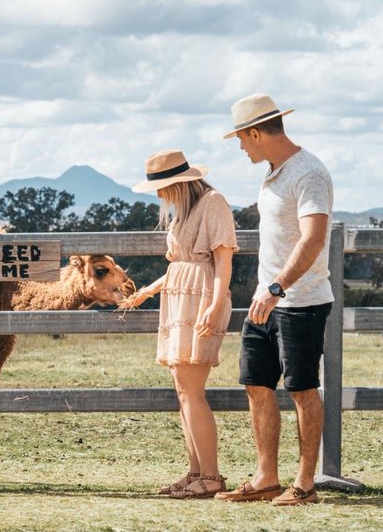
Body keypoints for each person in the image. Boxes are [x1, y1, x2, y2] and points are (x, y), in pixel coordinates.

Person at [214, 93, 334, 507]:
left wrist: (278, 287)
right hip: (266, 300)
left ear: (255, 133)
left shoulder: (309, 172)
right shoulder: (274, 172)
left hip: (299, 301)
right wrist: (266, 291)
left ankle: (304, 485)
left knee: (302, 389)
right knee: (256, 383)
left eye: (242, 141)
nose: (241, 148)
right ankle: (266, 477)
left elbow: (314, 238)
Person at [120, 149, 238, 499]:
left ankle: (212, 475)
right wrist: (148, 290)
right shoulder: (184, 211)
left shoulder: (214, 202)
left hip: (200, 299)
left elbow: (222, 260)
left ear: (180, 182)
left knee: (192, 390)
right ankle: (196, 472)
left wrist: (215, 305)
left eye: (162, 186)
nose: (158, 194)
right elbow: (180, 265)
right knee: (183, 390)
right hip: (178, 298)